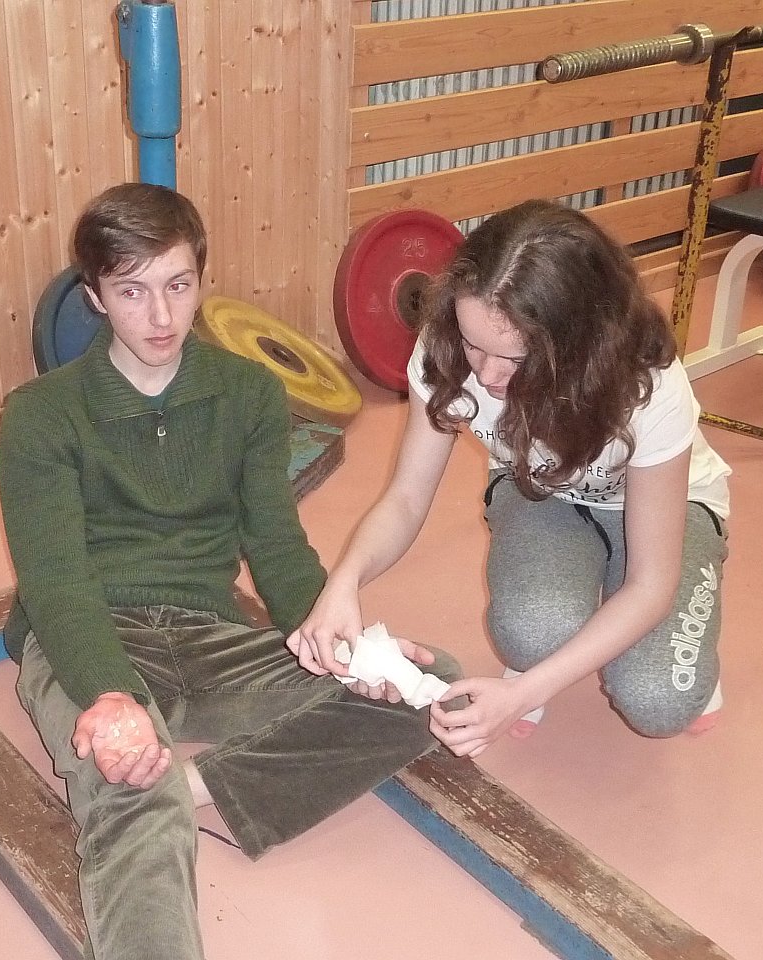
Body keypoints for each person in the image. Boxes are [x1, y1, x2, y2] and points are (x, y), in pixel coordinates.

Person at [0, 182, 460, 960]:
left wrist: (338, 638)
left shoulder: (249, 393)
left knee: (423, 682)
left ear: (202, 280)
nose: (161, 316)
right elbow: (56, 580)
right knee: (128, 783)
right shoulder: (41, 413)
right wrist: (110, 695)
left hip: (208, 633)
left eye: (178, 285)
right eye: (132, 291)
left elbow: (274, 544)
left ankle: (197, 788)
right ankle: (150, 798)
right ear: (95, 296)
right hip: (91, 635)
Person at [290, 199, 731, 758]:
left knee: (659, 699)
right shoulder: (447, 347)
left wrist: (523, 695)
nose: (487, 374)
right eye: (473, 344)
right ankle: (557, 632)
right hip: (540, 491)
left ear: (581, 345)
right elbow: (405, 498)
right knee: (529, 634)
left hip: (665, 508)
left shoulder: (648, 386)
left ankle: (674, 638)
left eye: (517, 359)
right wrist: (343, 582)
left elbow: (650, 584)